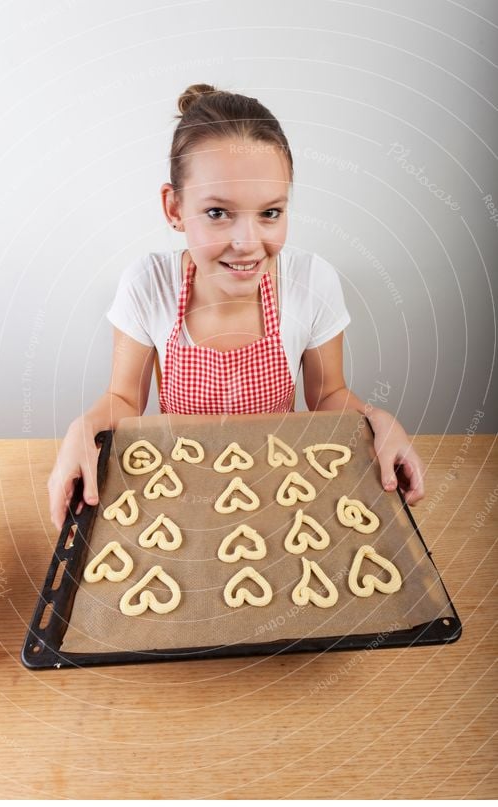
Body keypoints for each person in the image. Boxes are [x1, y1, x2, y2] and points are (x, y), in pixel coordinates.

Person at [48, 83, 425, 530]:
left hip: (282, 491)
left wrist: (378, 420)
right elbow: (124, 398)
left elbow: (326, 396)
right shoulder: (149, 284)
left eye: (270, 213)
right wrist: (82, 428)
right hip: (179, 493)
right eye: (217, 213)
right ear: (174, 207)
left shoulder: (310, 282)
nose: (248, 245)